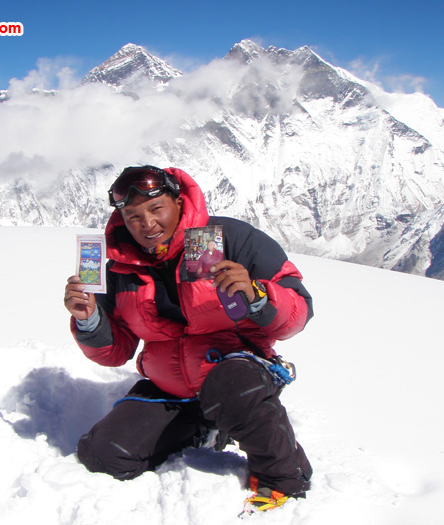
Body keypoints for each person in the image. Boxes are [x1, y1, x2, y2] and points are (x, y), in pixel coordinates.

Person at [64, 165, 314, 510]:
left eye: (156, 209)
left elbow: (298, 314)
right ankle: (202, 425)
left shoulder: (232, 239)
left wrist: (258, 297)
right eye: (133, 215)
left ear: (179, 202)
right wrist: (89, 320)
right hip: (173, 388)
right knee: (104, 455)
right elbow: (117, 351)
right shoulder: (120, 269)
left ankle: (283, 476)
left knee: (231, 388)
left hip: (237, 371)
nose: (146, 224)